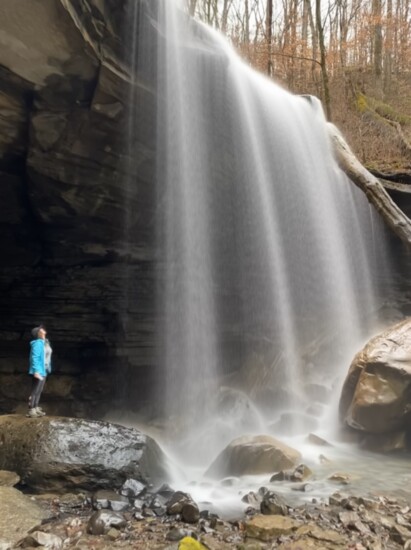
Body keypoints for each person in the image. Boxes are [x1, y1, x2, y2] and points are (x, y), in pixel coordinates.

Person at [28, 325, 52, 418]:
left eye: (44, 330)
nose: (44, 332)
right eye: (42, 331)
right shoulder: (38, 343)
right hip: (38, 370)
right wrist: (36, 371)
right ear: (38, 333)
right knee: (35, 390)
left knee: (39, 390)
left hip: (44, 369)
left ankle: (36, 407)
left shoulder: (45, 343)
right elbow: (35, 358)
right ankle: (31, 409)